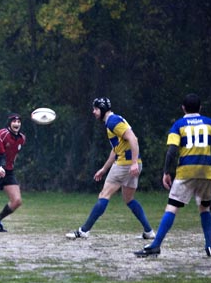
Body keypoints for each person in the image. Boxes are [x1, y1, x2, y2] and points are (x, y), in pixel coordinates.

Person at [136, 94, 211, 258]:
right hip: (206, 172)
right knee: (205, 207)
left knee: (172, 207)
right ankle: (209, 246)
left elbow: (171, 151)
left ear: (183, 108)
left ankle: (155, 246)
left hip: (186, 171)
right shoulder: (210, 123)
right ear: (200, 108)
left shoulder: (178, 125)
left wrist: (166, 172)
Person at [66, 97, 154, 240]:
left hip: (125, 164)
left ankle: (83, 231)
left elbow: (133, 139)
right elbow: (116, 149)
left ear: (102, 109)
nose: (93, 112)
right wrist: (104, 169)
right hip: (133, 162)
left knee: (104, 195)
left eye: (95, 109)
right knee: (129, 198)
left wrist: (132, 164)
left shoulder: (113, 122)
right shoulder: (113, 122)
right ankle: (149, 232)